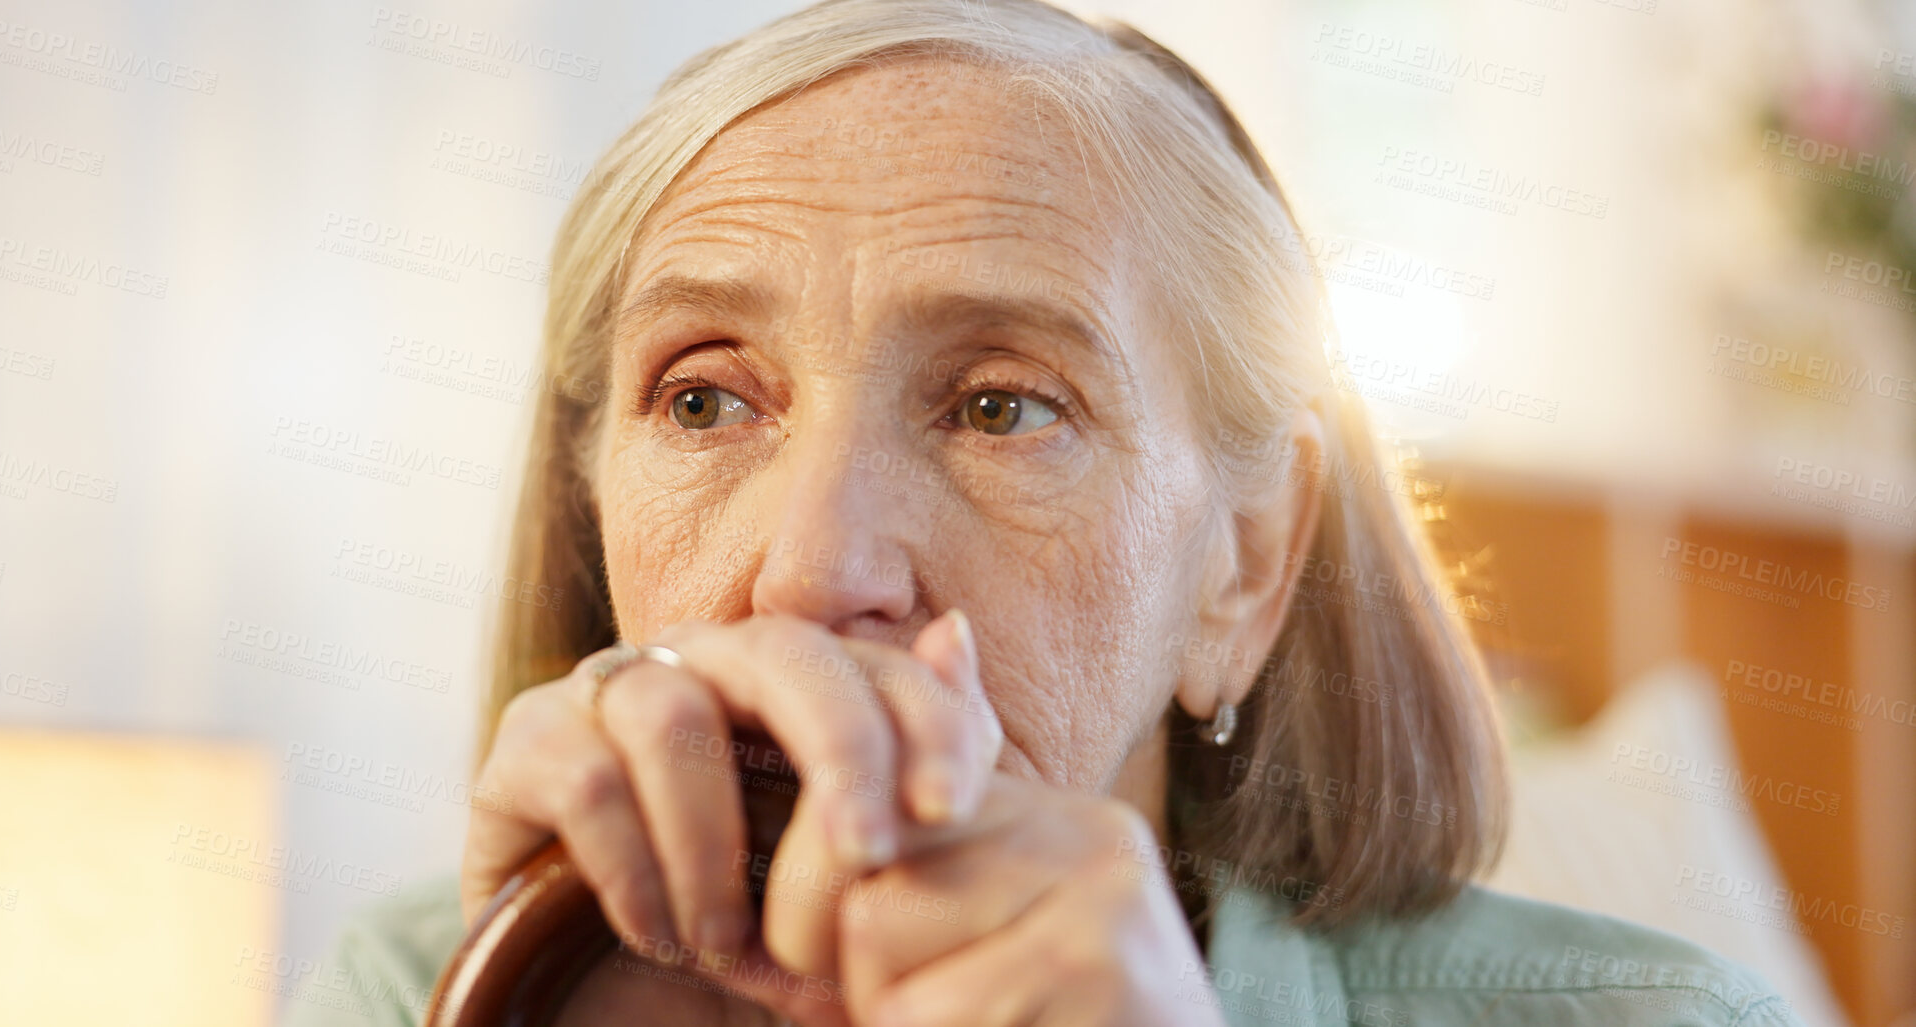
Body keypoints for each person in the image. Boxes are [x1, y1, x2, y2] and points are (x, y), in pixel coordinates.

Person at [294, 1, 1805, 1023]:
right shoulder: (410, 983)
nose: (815, 577)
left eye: (1003, 404)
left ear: (1244, 565)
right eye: (704, 399)